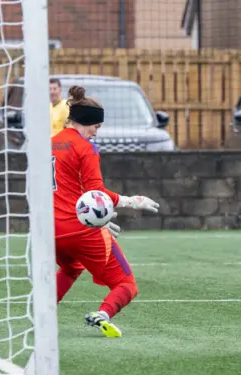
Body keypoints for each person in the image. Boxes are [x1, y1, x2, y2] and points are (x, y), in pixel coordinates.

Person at [52, 85, 160, 337]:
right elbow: (96, 191)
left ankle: (42, 312)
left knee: (70, 268)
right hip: (80, 230)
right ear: (87, 123)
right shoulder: (85, 148)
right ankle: (103, 314)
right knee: (126, 284)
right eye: (96, 127)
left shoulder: (51, 143)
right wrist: (130, 201)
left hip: (50, 230)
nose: (96, 133)